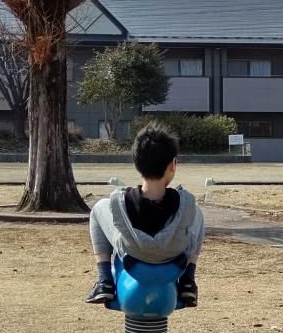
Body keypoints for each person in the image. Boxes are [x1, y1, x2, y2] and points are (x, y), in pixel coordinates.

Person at [86, 124, 204, 305]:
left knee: (98, 208)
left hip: (133, 255)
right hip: (174, 258)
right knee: (198, 214)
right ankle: (188, 281)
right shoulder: (186, 201)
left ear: (136, 163)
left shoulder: (119, 201)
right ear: (173, 165)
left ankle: (104, 281)